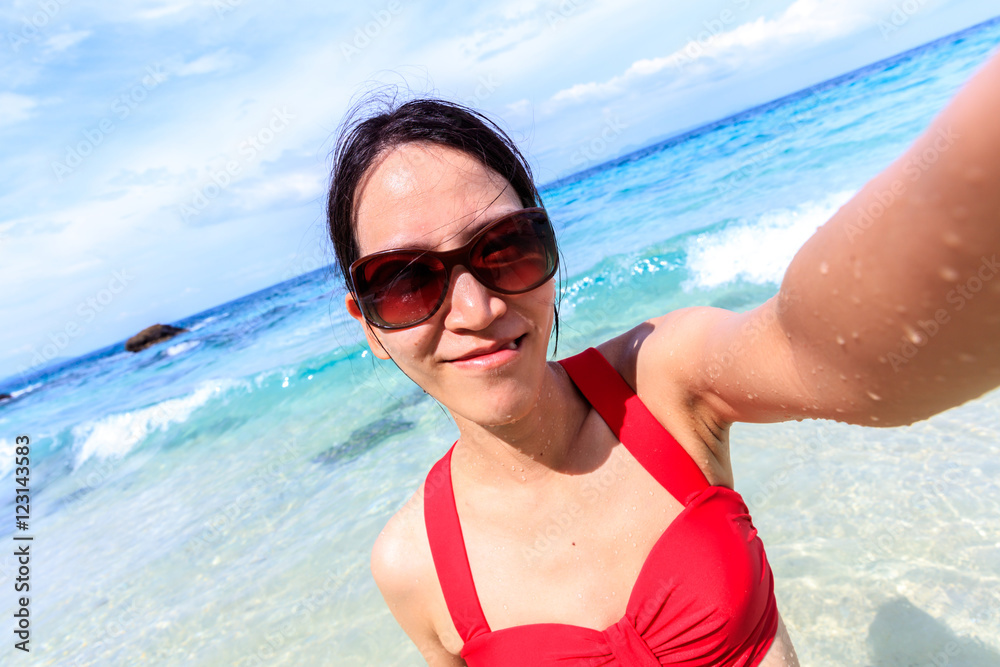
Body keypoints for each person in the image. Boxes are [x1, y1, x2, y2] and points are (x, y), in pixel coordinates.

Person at [327, 45, 1000, 666]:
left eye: (503, 245)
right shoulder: (411, 565)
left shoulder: (661, 380)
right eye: (407, 281)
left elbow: (837, 354)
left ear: (549, 249)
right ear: (369, 323)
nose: (476, 310)